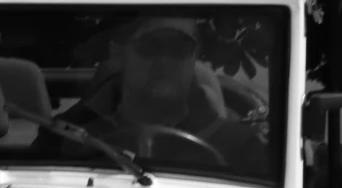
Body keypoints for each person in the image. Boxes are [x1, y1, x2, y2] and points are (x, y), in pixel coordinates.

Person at [70, 15, 263, 173]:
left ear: (194, 57)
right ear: (119, 54)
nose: (164, 61)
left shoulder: (240, 147)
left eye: (178, 48)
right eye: (150, 46)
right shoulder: (70, 139)